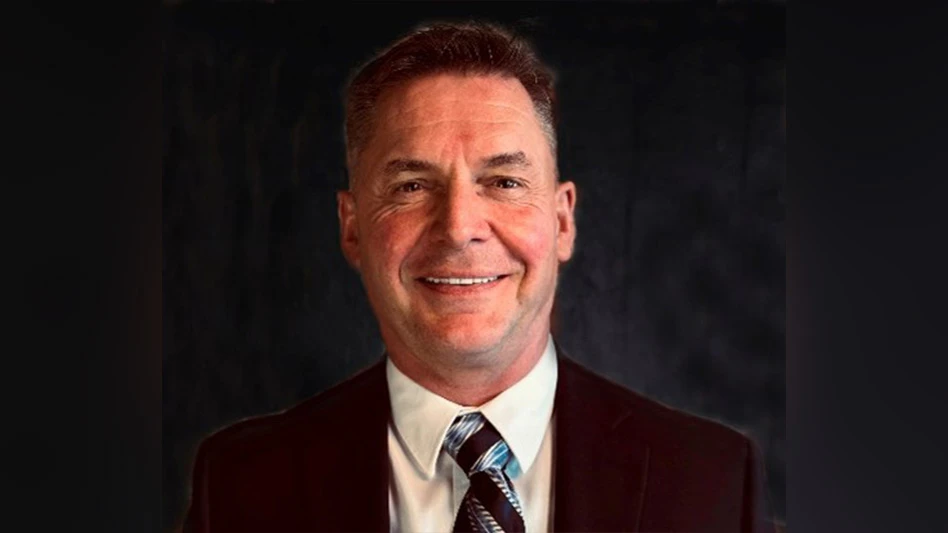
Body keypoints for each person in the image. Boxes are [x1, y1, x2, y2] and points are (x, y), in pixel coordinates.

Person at [182, 20, 777, 533]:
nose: (460, 226)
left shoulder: (714, 483)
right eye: (412, 186)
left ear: (564, 220)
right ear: (353, 227)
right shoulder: (238, 486)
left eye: (505, 182)